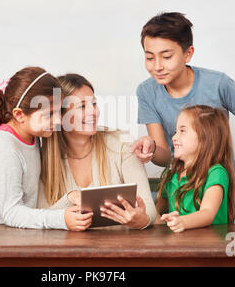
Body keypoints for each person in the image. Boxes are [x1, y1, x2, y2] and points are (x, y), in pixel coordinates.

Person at [131, 12, 235, 220]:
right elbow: (165, 156)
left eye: (166, 57)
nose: (157, 66)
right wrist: (151, 148)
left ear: (188, 54)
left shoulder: (219, 84)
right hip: (179, 194)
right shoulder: (146, 92)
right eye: (149, 57)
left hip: (216, 194)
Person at [0, 66, 93, 231]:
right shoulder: (3, 148)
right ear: (19, 115)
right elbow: (11, 212)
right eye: (49, 114)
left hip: (10, 230)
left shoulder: (33, 136)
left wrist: (69, 198)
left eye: (59, 112)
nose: (58, 121)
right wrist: (61, 219)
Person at [37, 73, 157, 229]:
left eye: (93, 104)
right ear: (61, 115)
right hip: (67, 249)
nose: (94, 112)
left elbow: (149, 210)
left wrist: (141, 220)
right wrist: (71, 198)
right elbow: (40, 216)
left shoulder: (122, 144)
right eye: (82, 106)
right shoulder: (44, 156)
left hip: (119, 248)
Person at [155, 105, 235, 232]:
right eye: (175, 132)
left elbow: (207, 213)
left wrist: (183, 221)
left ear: (205, 137)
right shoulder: (171, 175)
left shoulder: (216, 173)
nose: (174, 137)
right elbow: (156, 212)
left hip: (210, 249)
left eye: (182, 131)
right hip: (181, 248)